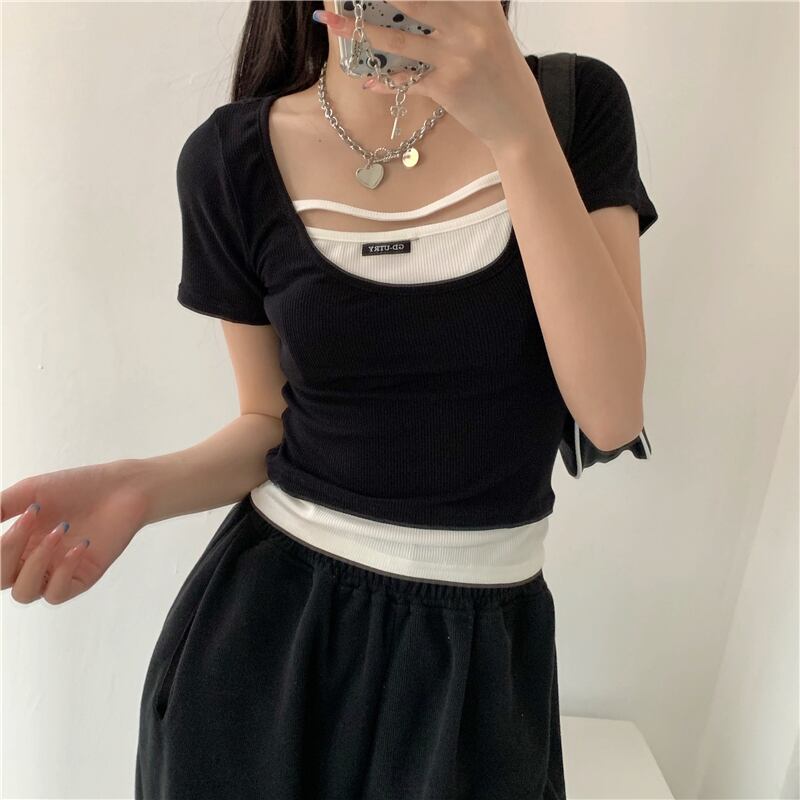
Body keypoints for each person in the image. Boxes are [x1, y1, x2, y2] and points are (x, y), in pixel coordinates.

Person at [1, 1, 659, 798]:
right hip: (264, 648)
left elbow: (610, 412)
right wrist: (139, 488)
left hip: (478, 658)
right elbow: (268, 423)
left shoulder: (573, 107)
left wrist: (516, 127)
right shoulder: (231, 159)